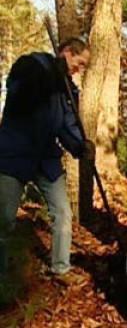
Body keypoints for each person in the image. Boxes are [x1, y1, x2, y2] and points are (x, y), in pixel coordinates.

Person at [0, 38, 94, 280]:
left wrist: (79, 147)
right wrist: (50, 76)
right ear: (66, 53)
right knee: (4, 218)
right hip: (15, 153)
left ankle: (60, 268)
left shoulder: (67, 87)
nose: (79, 69)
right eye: (79, 63)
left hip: (46, 158)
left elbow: (66, 124)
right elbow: (19, 95)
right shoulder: (30, 65)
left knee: (62, 212)